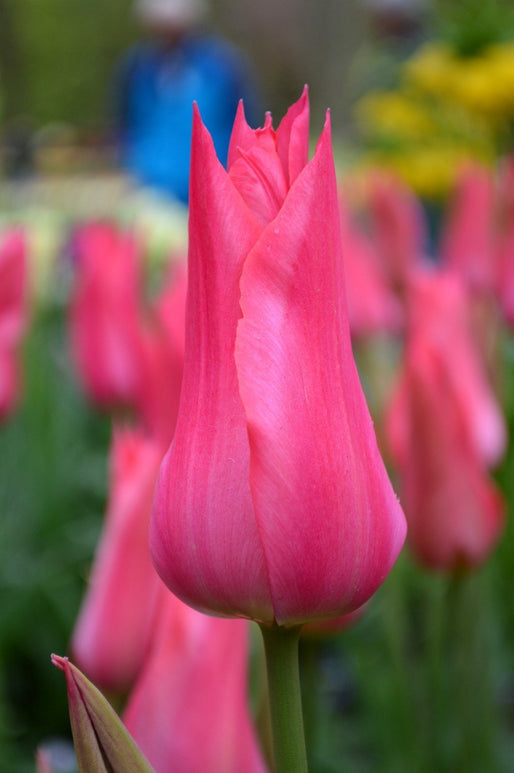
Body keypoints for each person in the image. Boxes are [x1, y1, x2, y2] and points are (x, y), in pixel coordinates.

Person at [114, 0, 262, 203]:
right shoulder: (137, 67)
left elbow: (246, 123)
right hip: (153, 188)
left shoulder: (221, 65)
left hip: (213, 185)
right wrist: (132, 163)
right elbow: (125, 122)